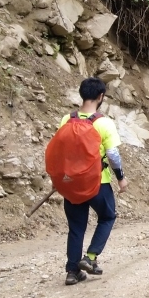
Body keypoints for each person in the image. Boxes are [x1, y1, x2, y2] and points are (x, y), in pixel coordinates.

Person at [54, 77, 129, 285]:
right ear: (101, 96)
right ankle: (90, 258)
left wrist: (59, 179)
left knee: (76, 227)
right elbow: (113, 154)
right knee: (107, 217)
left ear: (81, 94)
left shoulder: (66, 120)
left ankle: (72, 271)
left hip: (70, 183)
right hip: (97, 182)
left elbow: (60, 152)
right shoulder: (103, 122)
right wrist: (121, 179)